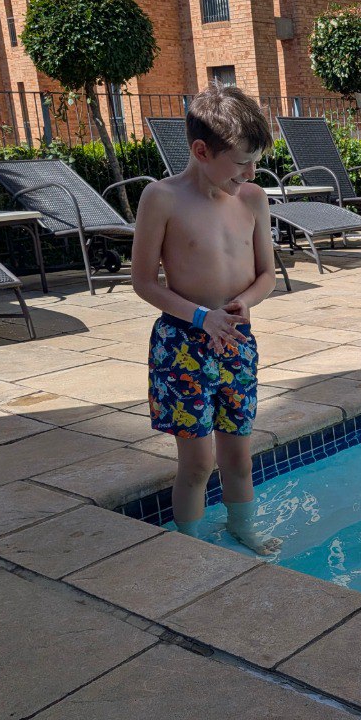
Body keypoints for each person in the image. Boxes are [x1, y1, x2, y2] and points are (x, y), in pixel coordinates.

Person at [132, 84, 282, 554]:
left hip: (235, 340)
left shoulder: (252, 199)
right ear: (201, 151)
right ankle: (191, 545)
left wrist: (246, 303)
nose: (250, 172)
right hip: (182, 345)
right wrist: (201, 317)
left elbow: (267, 275)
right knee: (198, 463)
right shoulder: (162, 198)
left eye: (254, 162)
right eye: (241, 162)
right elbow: (144, 282)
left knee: (239, 457)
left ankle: (242, 528)